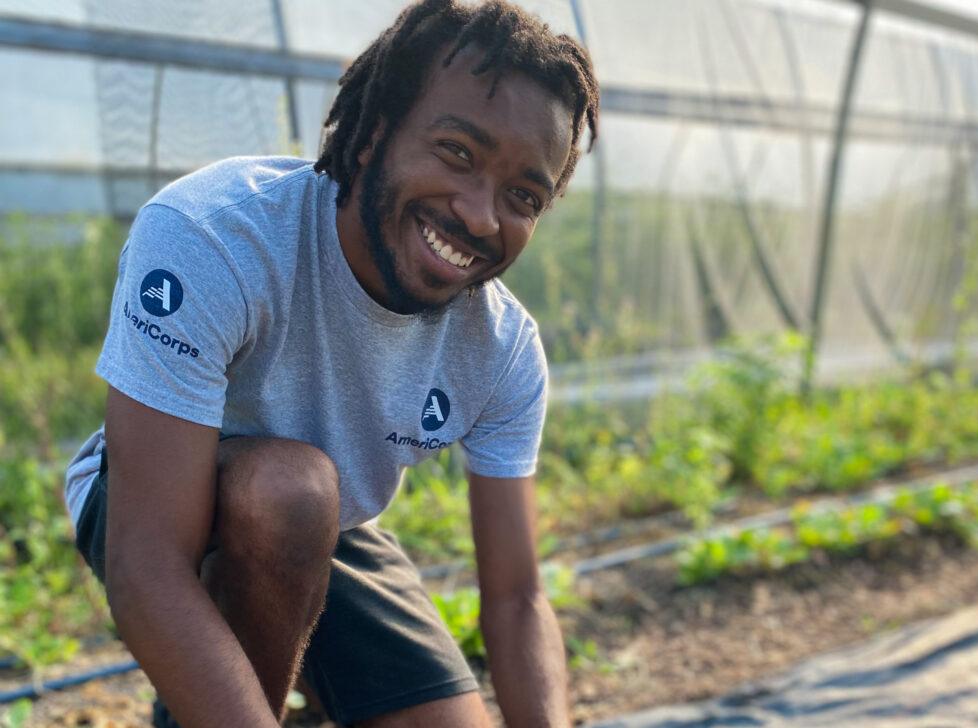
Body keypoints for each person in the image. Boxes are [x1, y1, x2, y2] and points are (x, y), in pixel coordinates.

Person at [62, 1, 600, 726]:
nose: (480, 215)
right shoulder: (217, 236)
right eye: (457, 154)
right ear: (375, 134)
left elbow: (517, 597)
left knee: (311, 508)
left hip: (333, 528)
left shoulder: (501, 349)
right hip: (155, 497)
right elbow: (147, 564)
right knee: (290, 494)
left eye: (522, 196)